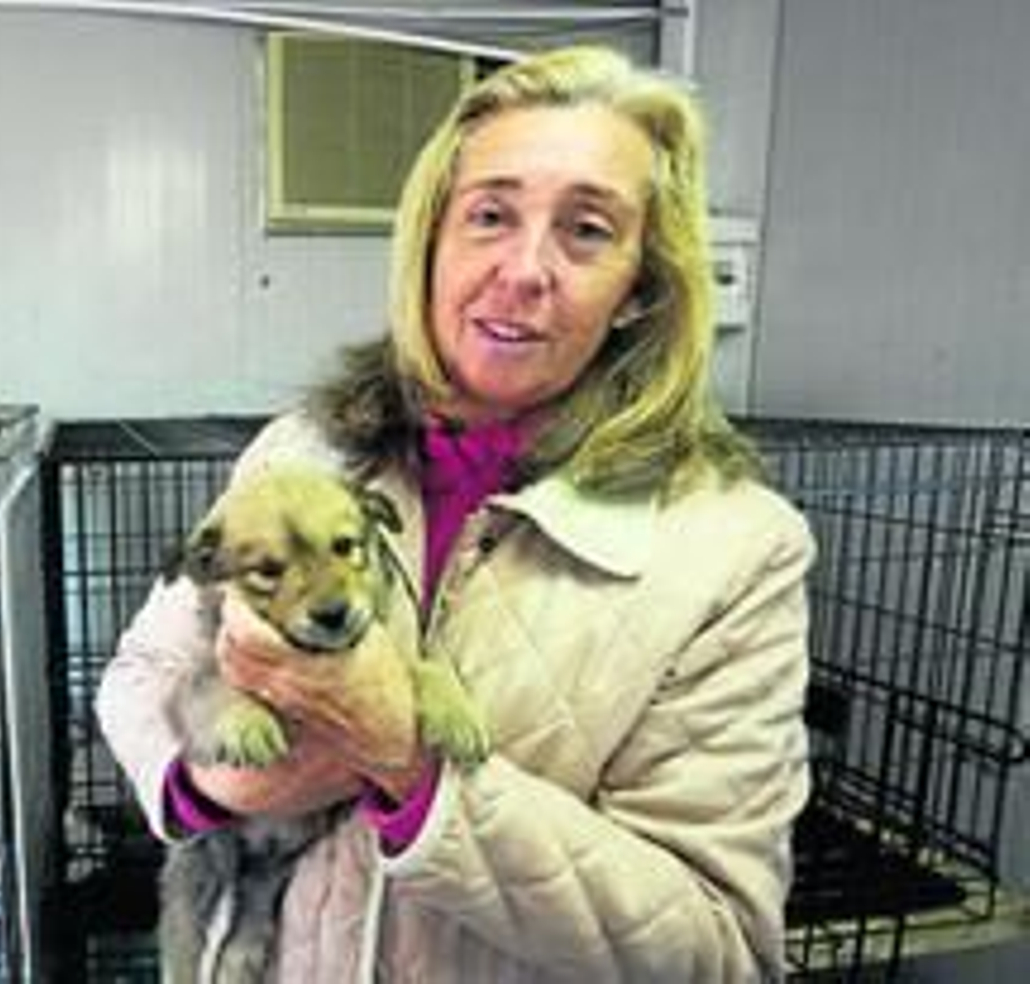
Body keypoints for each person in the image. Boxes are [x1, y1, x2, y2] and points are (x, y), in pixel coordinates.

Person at [97, 43, 813, 982]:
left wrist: (413, 769)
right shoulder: (300, 451)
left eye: (588, 230)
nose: (524, 269)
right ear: (432, 239)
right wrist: (200, 792)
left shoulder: (734, 549)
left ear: (641, 287)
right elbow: (141, 676)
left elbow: (716, 949)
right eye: (490, 214)